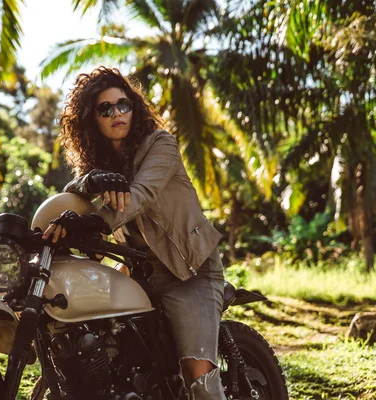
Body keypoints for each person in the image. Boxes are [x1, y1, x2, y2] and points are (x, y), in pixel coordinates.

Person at [42, 66, 226, 399]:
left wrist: (94, 222)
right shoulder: (100, 161)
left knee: (198, 379)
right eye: (105, 108)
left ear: (134, 107)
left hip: (188, 271)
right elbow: (73, 192)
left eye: (123, 104)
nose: (117, 113)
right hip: (137, 272)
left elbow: (141, 195)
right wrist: (91, 180)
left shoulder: (161, 143)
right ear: (90, 119)